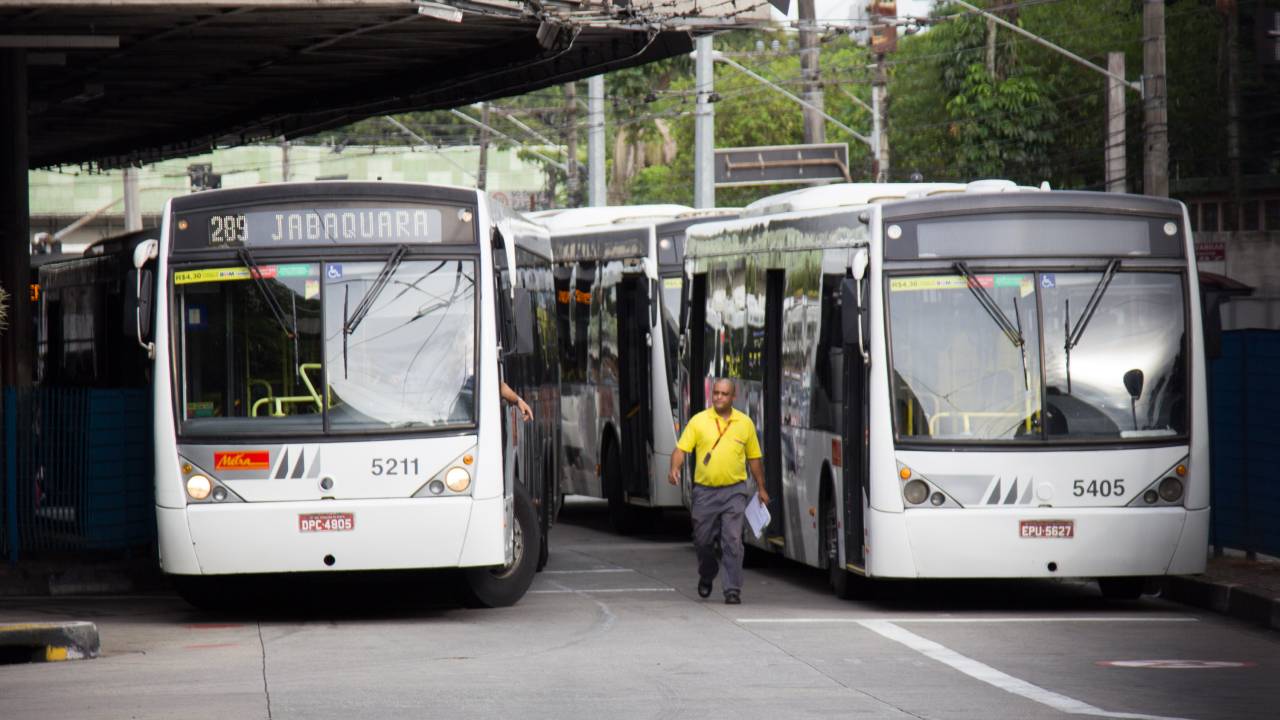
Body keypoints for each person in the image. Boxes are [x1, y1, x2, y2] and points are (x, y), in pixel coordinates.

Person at [667, 378, 770, 604]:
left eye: (724, 394)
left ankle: (732, 589)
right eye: (716, 393)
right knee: (702, 541)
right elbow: (680, 449)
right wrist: (675, 468)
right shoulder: (699, 421)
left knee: (732, 540)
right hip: (704, 493)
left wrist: (761, 488)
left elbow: (754, 459)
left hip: (734, 491)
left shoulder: (745, 424)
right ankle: (707, 572)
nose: (719, 397)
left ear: (733, 398)